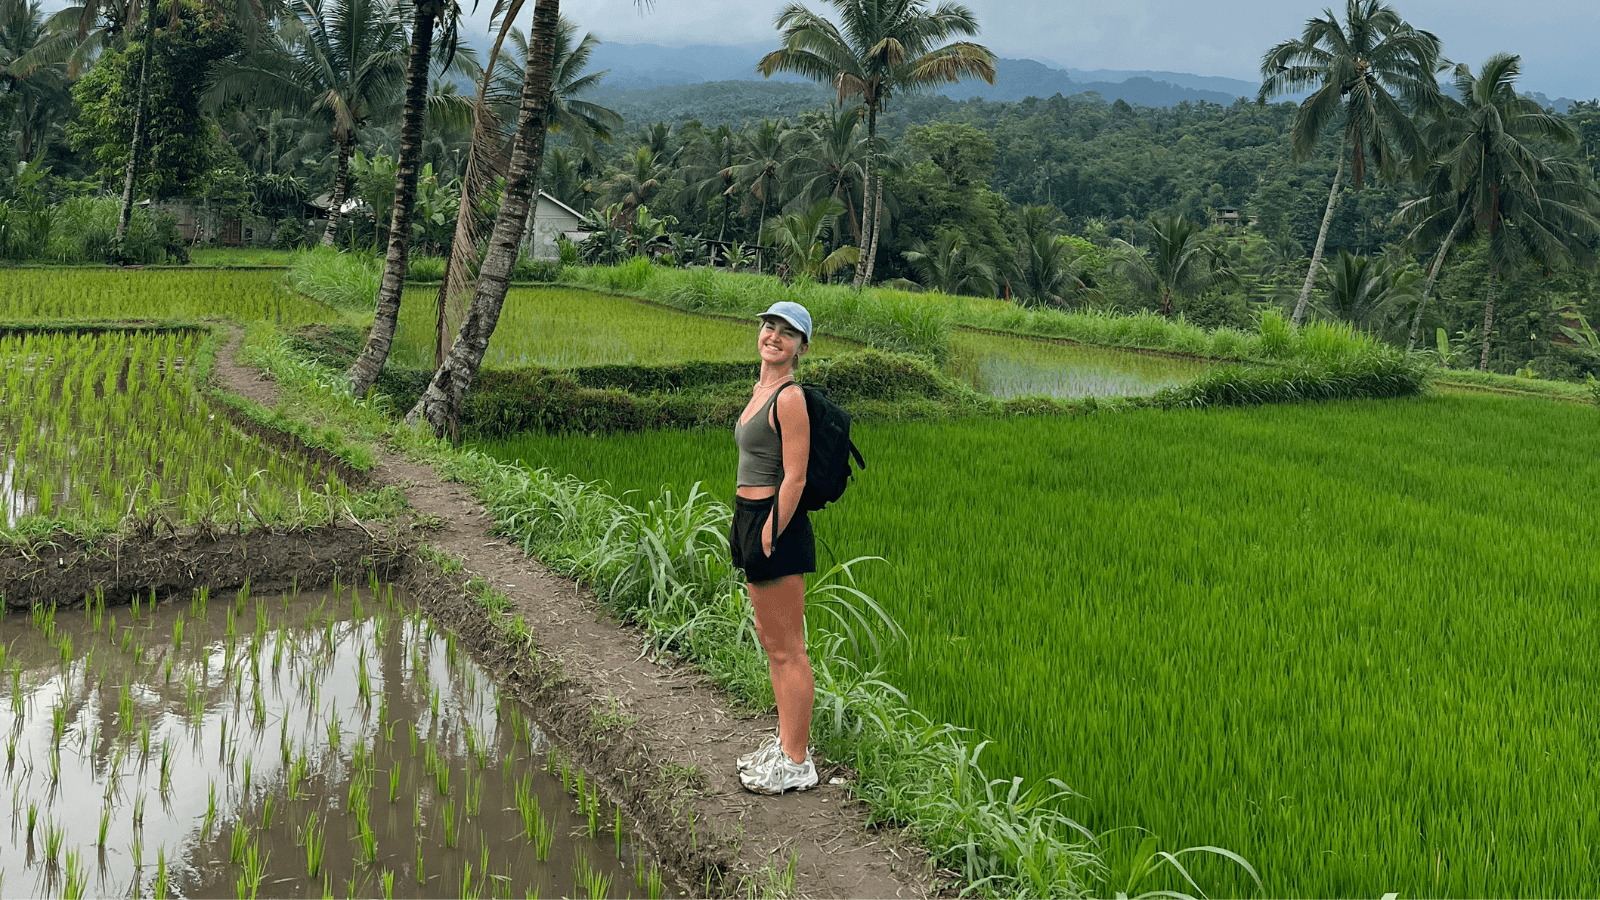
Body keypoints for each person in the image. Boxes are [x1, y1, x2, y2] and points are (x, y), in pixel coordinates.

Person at [730, 301, 818, 794]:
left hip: (774, 525)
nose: (774, 336)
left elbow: (796, 475)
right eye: (769, 326)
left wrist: (770, 530)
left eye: (788, 333)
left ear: (801, 347)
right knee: (771, 641)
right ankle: (786, 743)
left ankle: (797, 761)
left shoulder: (788, 397)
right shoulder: (760, 389)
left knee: (788, 650)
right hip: (751, 519)